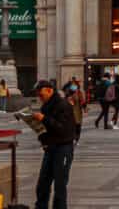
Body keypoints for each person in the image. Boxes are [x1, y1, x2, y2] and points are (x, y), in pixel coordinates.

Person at [31, 80, 75, 209]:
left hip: (63, 148)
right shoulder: (45, 106)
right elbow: (45, 129)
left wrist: (44, 119)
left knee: (60, 185)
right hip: (50, 148)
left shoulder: (63, 105)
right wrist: (42, 138)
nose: (39, 97)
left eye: (41, 94)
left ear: (50, 90)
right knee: (43, 183)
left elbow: (63, 129)